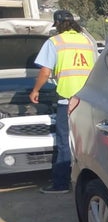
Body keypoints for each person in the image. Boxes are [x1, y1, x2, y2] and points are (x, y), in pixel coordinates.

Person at [29, 10, 97, 194]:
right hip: (88, 100)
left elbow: (45, 72)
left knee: (64, 142)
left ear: (58, 24)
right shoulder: (87, 42)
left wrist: (35, 90)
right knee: (88, 142)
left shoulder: (55, 42)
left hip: (67, 100)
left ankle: (61, 184)